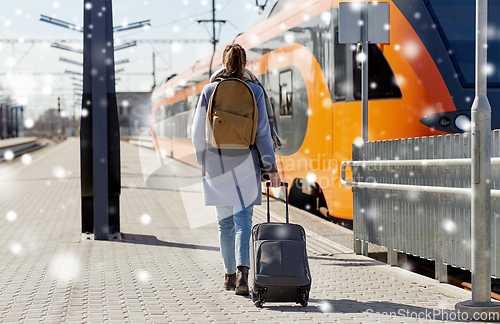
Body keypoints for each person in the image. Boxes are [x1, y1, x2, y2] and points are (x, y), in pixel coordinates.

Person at [191, 44, 280, 295]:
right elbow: (263, 133)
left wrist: (203, 159)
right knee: (243, 222)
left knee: (224, 224)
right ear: (245, 64)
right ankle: (243, 276)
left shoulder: (209, 90)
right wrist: (271, 167)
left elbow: (197, 131)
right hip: (246, 163)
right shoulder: (255, 90)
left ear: (224, 63)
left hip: (216, 161)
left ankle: (229, 277)